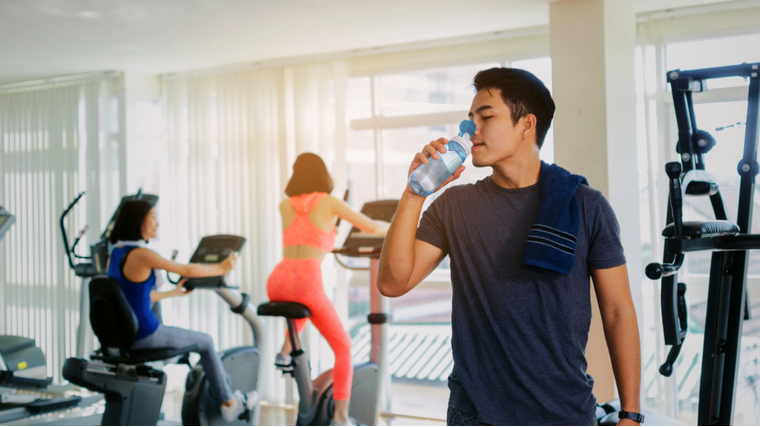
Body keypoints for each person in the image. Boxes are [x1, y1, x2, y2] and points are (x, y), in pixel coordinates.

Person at [377, 68, 642, 426]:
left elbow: (618, 312)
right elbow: (394, 283)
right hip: (474, 415)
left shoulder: (585, 205)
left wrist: (630, 414)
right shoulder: (454, 206)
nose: (470, 130)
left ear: (526, 124)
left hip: (565, 413)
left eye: (485, 117)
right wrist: (414, 193)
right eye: (469, 119)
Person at [267, 153, 388, 426]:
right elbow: (369, 227)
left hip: (278, 280)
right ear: (323, 174)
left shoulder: (284, 205)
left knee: (305, 309)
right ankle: (341, 418)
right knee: (343, 347)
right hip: (305, 280)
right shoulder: (330, 201)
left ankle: (285, 350)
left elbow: (304, 230)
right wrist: (397, 227)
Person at [107, 200, 254, 423]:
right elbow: (186, 269)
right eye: (153, 217)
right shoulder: (142, 254)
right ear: (139, 222)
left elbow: (137, 297)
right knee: (205, 342)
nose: (157, 223)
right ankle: (229, 403)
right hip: (144, 335)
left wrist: (173, 293)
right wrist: (221, 268)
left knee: (159, 307)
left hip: (124, 334)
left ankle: (172, 358)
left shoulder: (116, 253)